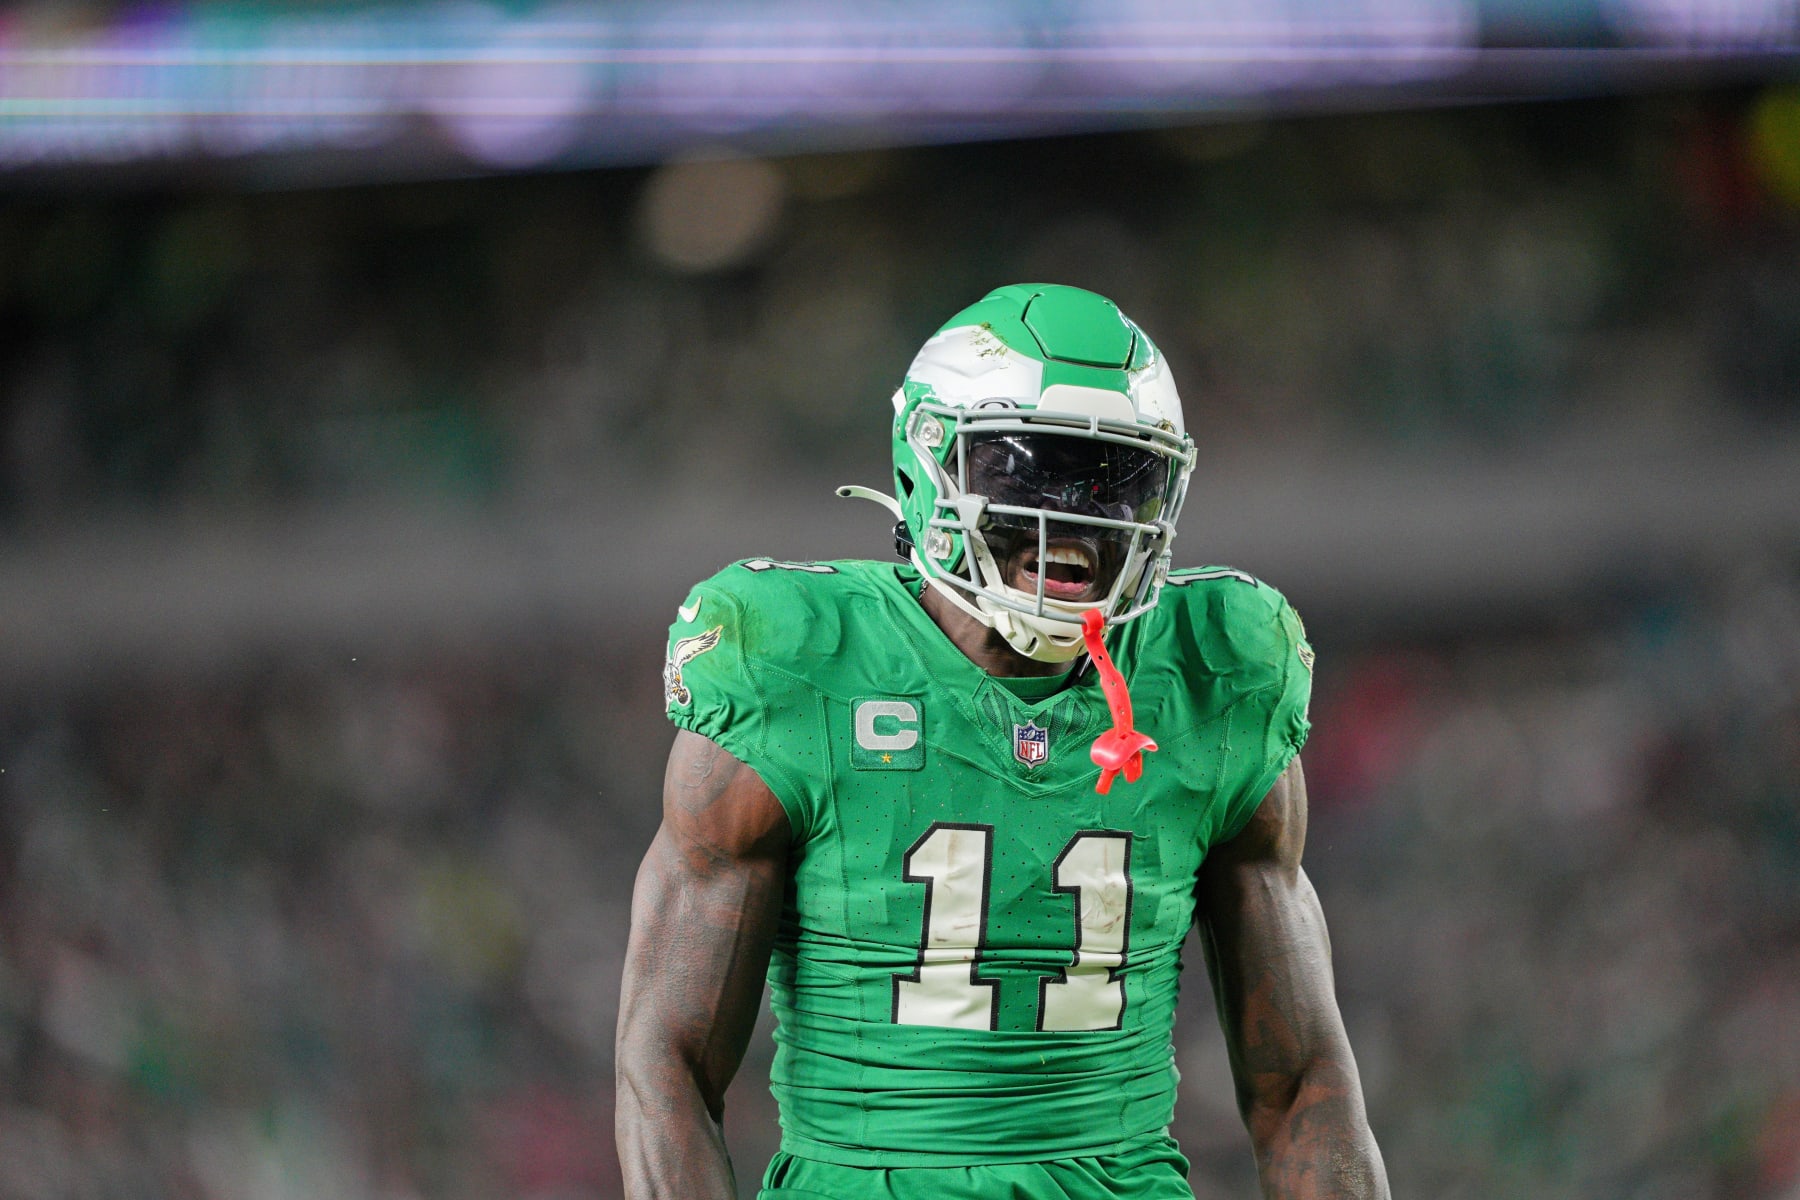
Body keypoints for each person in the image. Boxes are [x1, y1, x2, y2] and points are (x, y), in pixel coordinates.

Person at [616, 283, 1390, 1199]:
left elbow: (1303, 1082)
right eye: (1033, 470)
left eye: (1116, 479)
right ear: (930, 462)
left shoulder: (1215, 671)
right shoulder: (795, 661)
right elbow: (665, 1064)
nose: (1081, 518)